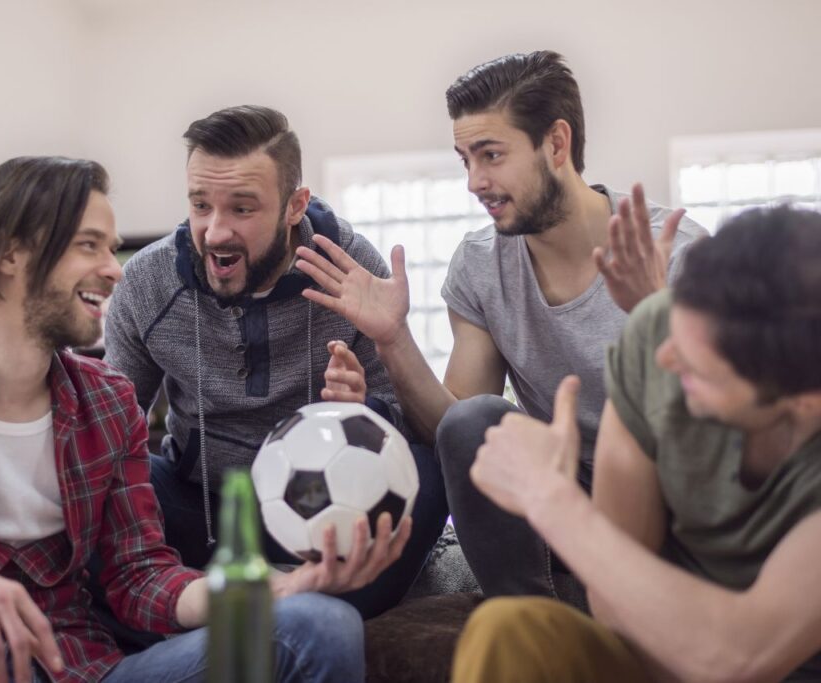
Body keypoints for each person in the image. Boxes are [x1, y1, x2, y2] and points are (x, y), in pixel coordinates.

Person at [0, 156, 408, 683]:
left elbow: (140, 580)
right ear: (13, 254)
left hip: (78, 667)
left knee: (319, 623)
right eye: (89, 245)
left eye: (110, 248)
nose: (116, 268)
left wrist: (280, 591)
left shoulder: (108, 401)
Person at [294, 50, 706, 604]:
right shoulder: (481, 264)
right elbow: (458, 427)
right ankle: (530, 620)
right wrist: (394, 339)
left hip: (666, 495)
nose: (474, 181)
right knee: (474, 419)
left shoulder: (677, 256)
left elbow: (725, 431)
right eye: (465, 159)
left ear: (556, 144)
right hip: (560, 493)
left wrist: (658, 319)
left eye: (491, 155)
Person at [102, 105, 447, 620]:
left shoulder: (351, 268)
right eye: (200, 205)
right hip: (200, 509)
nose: (215, 232)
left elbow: (404, 427)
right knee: (113, 479)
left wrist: (364, 407)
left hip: (318, 517)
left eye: (243, 209)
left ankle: (300, 614)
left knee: (430, 469)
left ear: (295, 205)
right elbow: (109, 425)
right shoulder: (148, 284)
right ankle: (264, 610)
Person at [454, 205, 821, 682]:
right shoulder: (658, 335)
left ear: (805, 401)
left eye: (701, 367)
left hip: (770, 663)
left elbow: (738, 657)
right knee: (507, 631)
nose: (666, 360)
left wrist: (552, 500)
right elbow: (610, 602)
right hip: (653, 646)